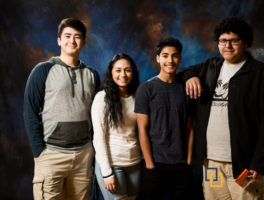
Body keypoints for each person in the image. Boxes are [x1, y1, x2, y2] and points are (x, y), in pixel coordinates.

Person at [180, 17, 264, 199]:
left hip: (244, 165)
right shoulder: (210, 67)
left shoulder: (262, 74)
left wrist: (259, 163)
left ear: (245, 43)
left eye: (234, 40)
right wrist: (191, 77)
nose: (228, 45)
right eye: (223, 41)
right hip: (210, 162)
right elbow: (184, 71)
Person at [23, 18, 100, 200]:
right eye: (67, 36)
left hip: (84, 155)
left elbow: (99, 115)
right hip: (51, 155)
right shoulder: (42, 70)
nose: (72, 41)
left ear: (83, 42)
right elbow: (30, 112)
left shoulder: (92, 74)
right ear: (59, 40)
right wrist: (38, 153)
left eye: (77, 37)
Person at [135, 37, 194, 200]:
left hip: (182, 164)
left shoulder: (186, 89)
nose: (170, 60)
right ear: (158, 58)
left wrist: (188, 160)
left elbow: (190, 127)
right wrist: (149, 164)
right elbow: (142, 129)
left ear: (180, 58)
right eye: (165, 55)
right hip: (155, 163)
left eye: (175, 56)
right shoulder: (146, 89)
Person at [91, 53, 141, 200]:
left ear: (133, 72)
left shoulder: (137, 96)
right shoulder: (102, 98)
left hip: (134, 163)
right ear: (111, 72)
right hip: (112, 164)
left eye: (127, 70)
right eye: (118, 70)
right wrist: (107, 173)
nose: (123, 75)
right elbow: (98, 138)